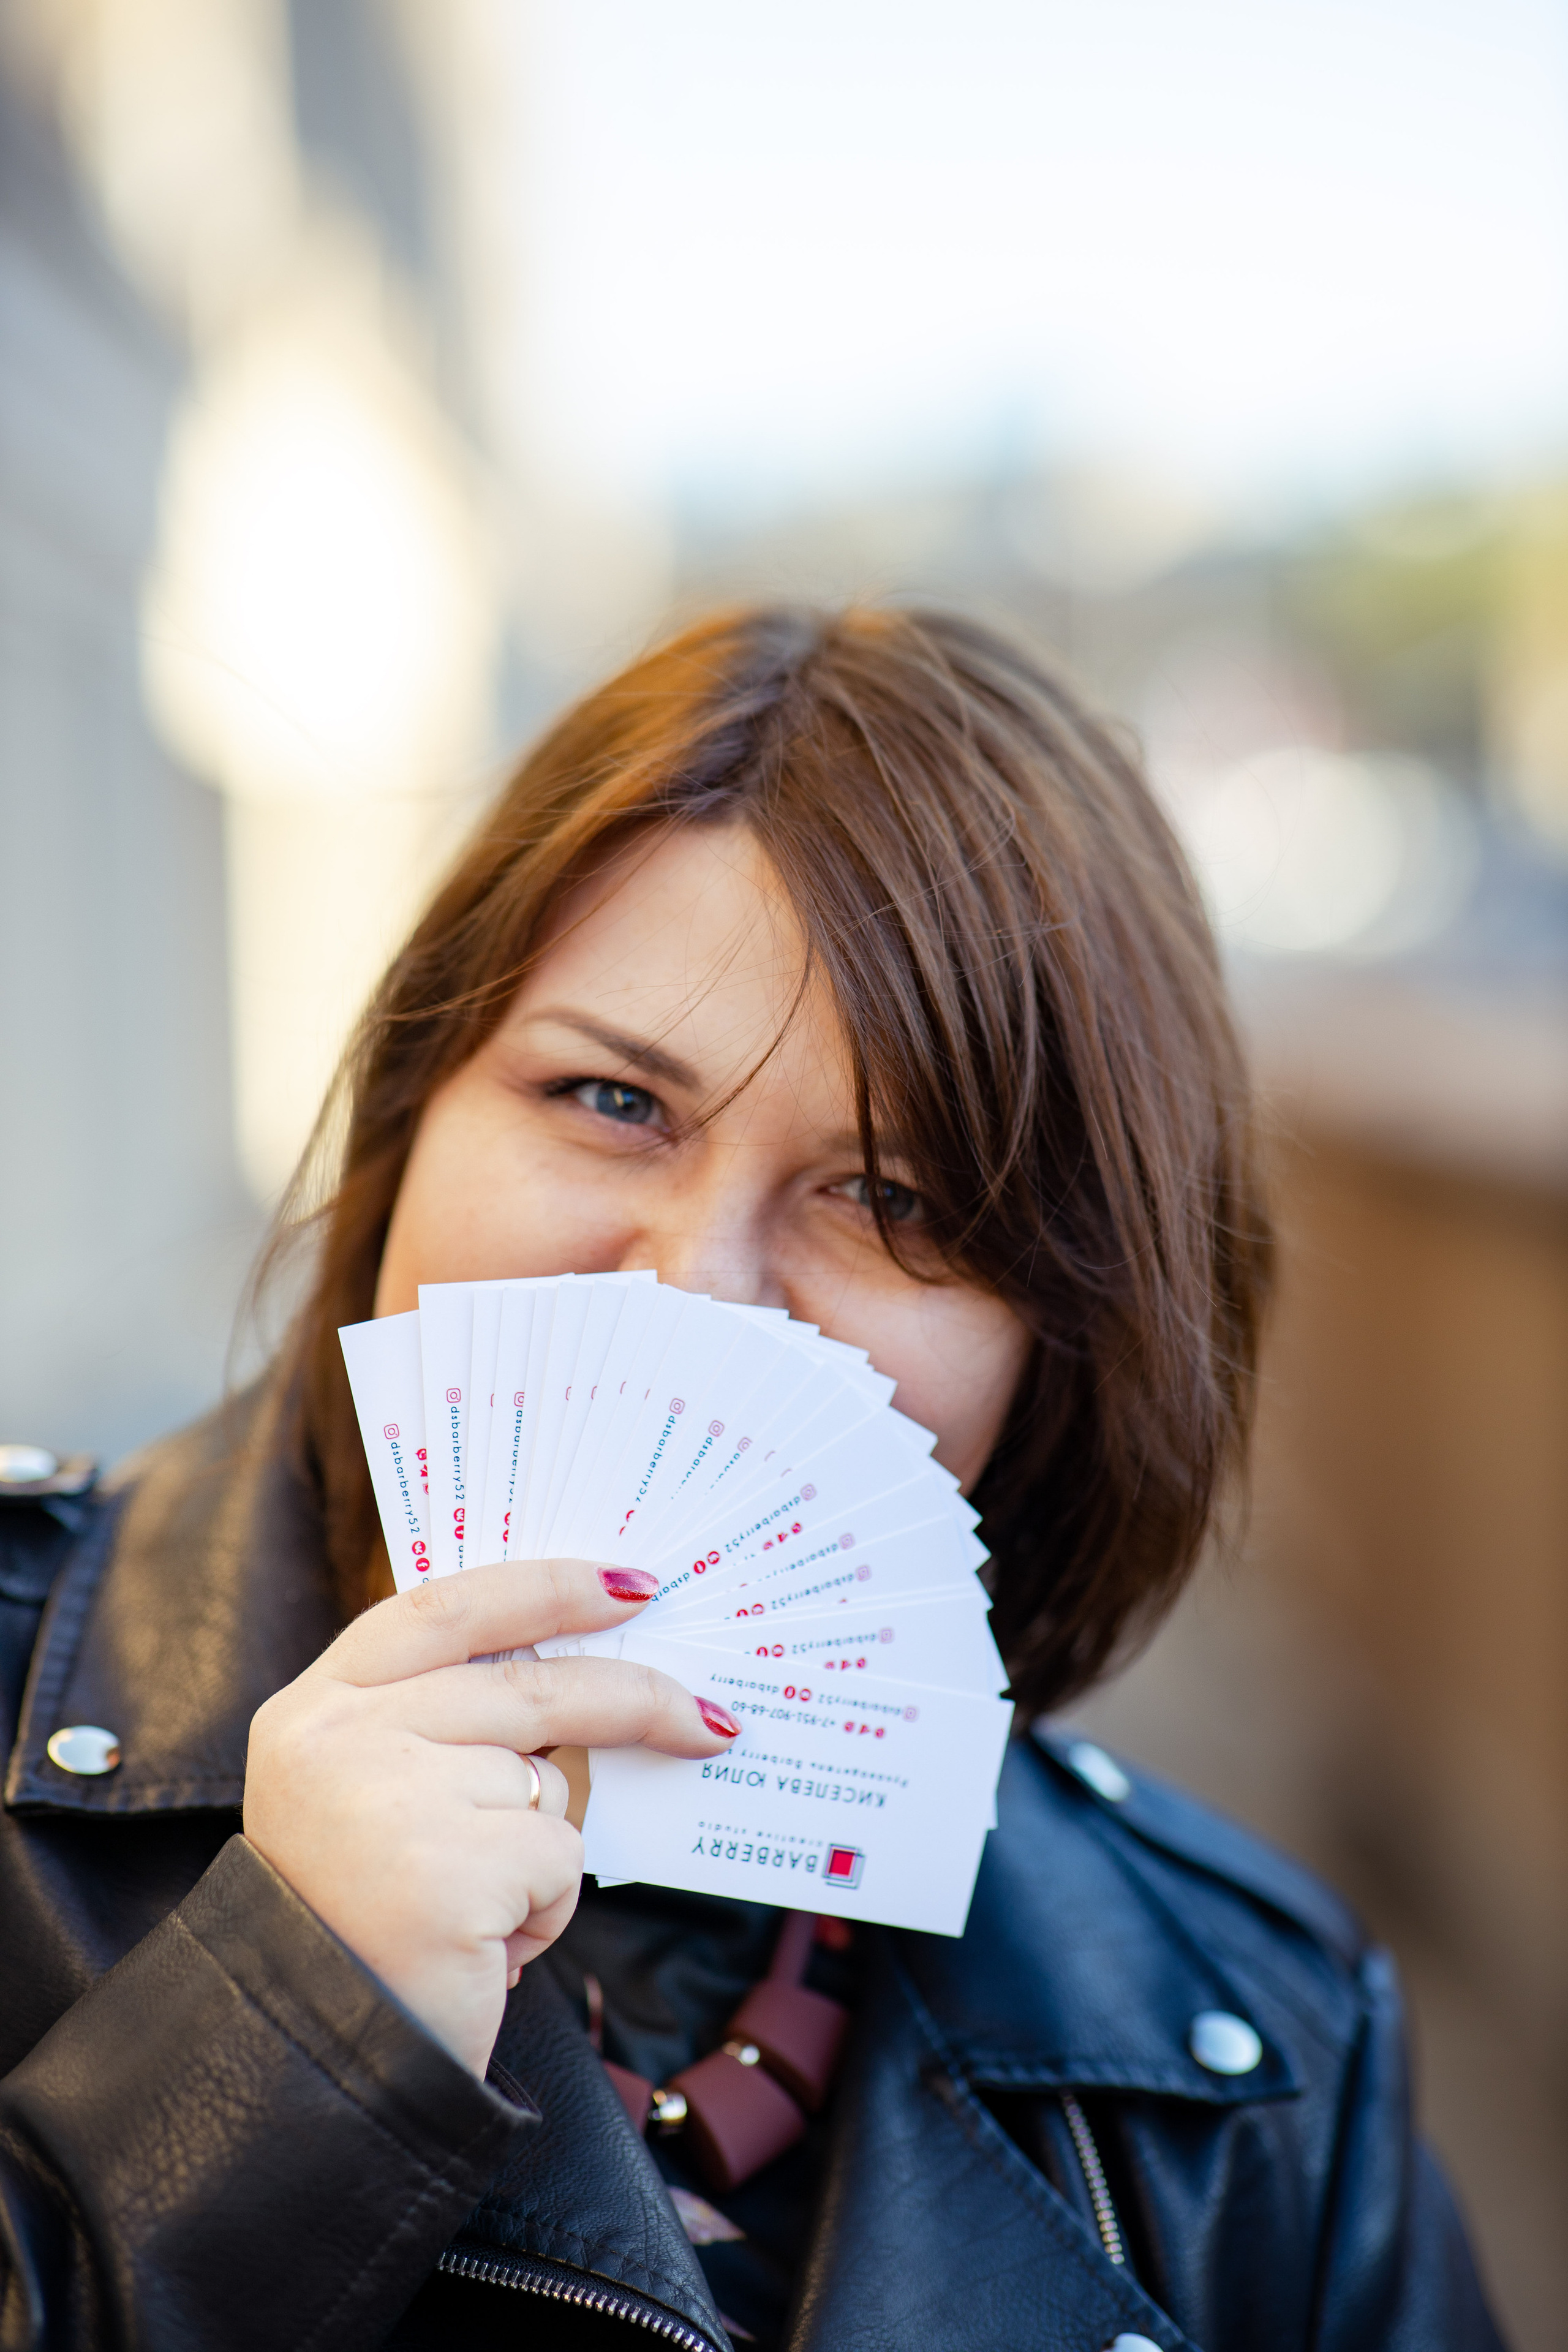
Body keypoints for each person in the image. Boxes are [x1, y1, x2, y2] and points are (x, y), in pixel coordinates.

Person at [0, 606, 1504, 2351]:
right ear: (413, 1116)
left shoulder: (1253, 2048)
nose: (689, 1286)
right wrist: (288, 2049)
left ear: (1065, 1341)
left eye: (895, 1198)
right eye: (611, 1098)